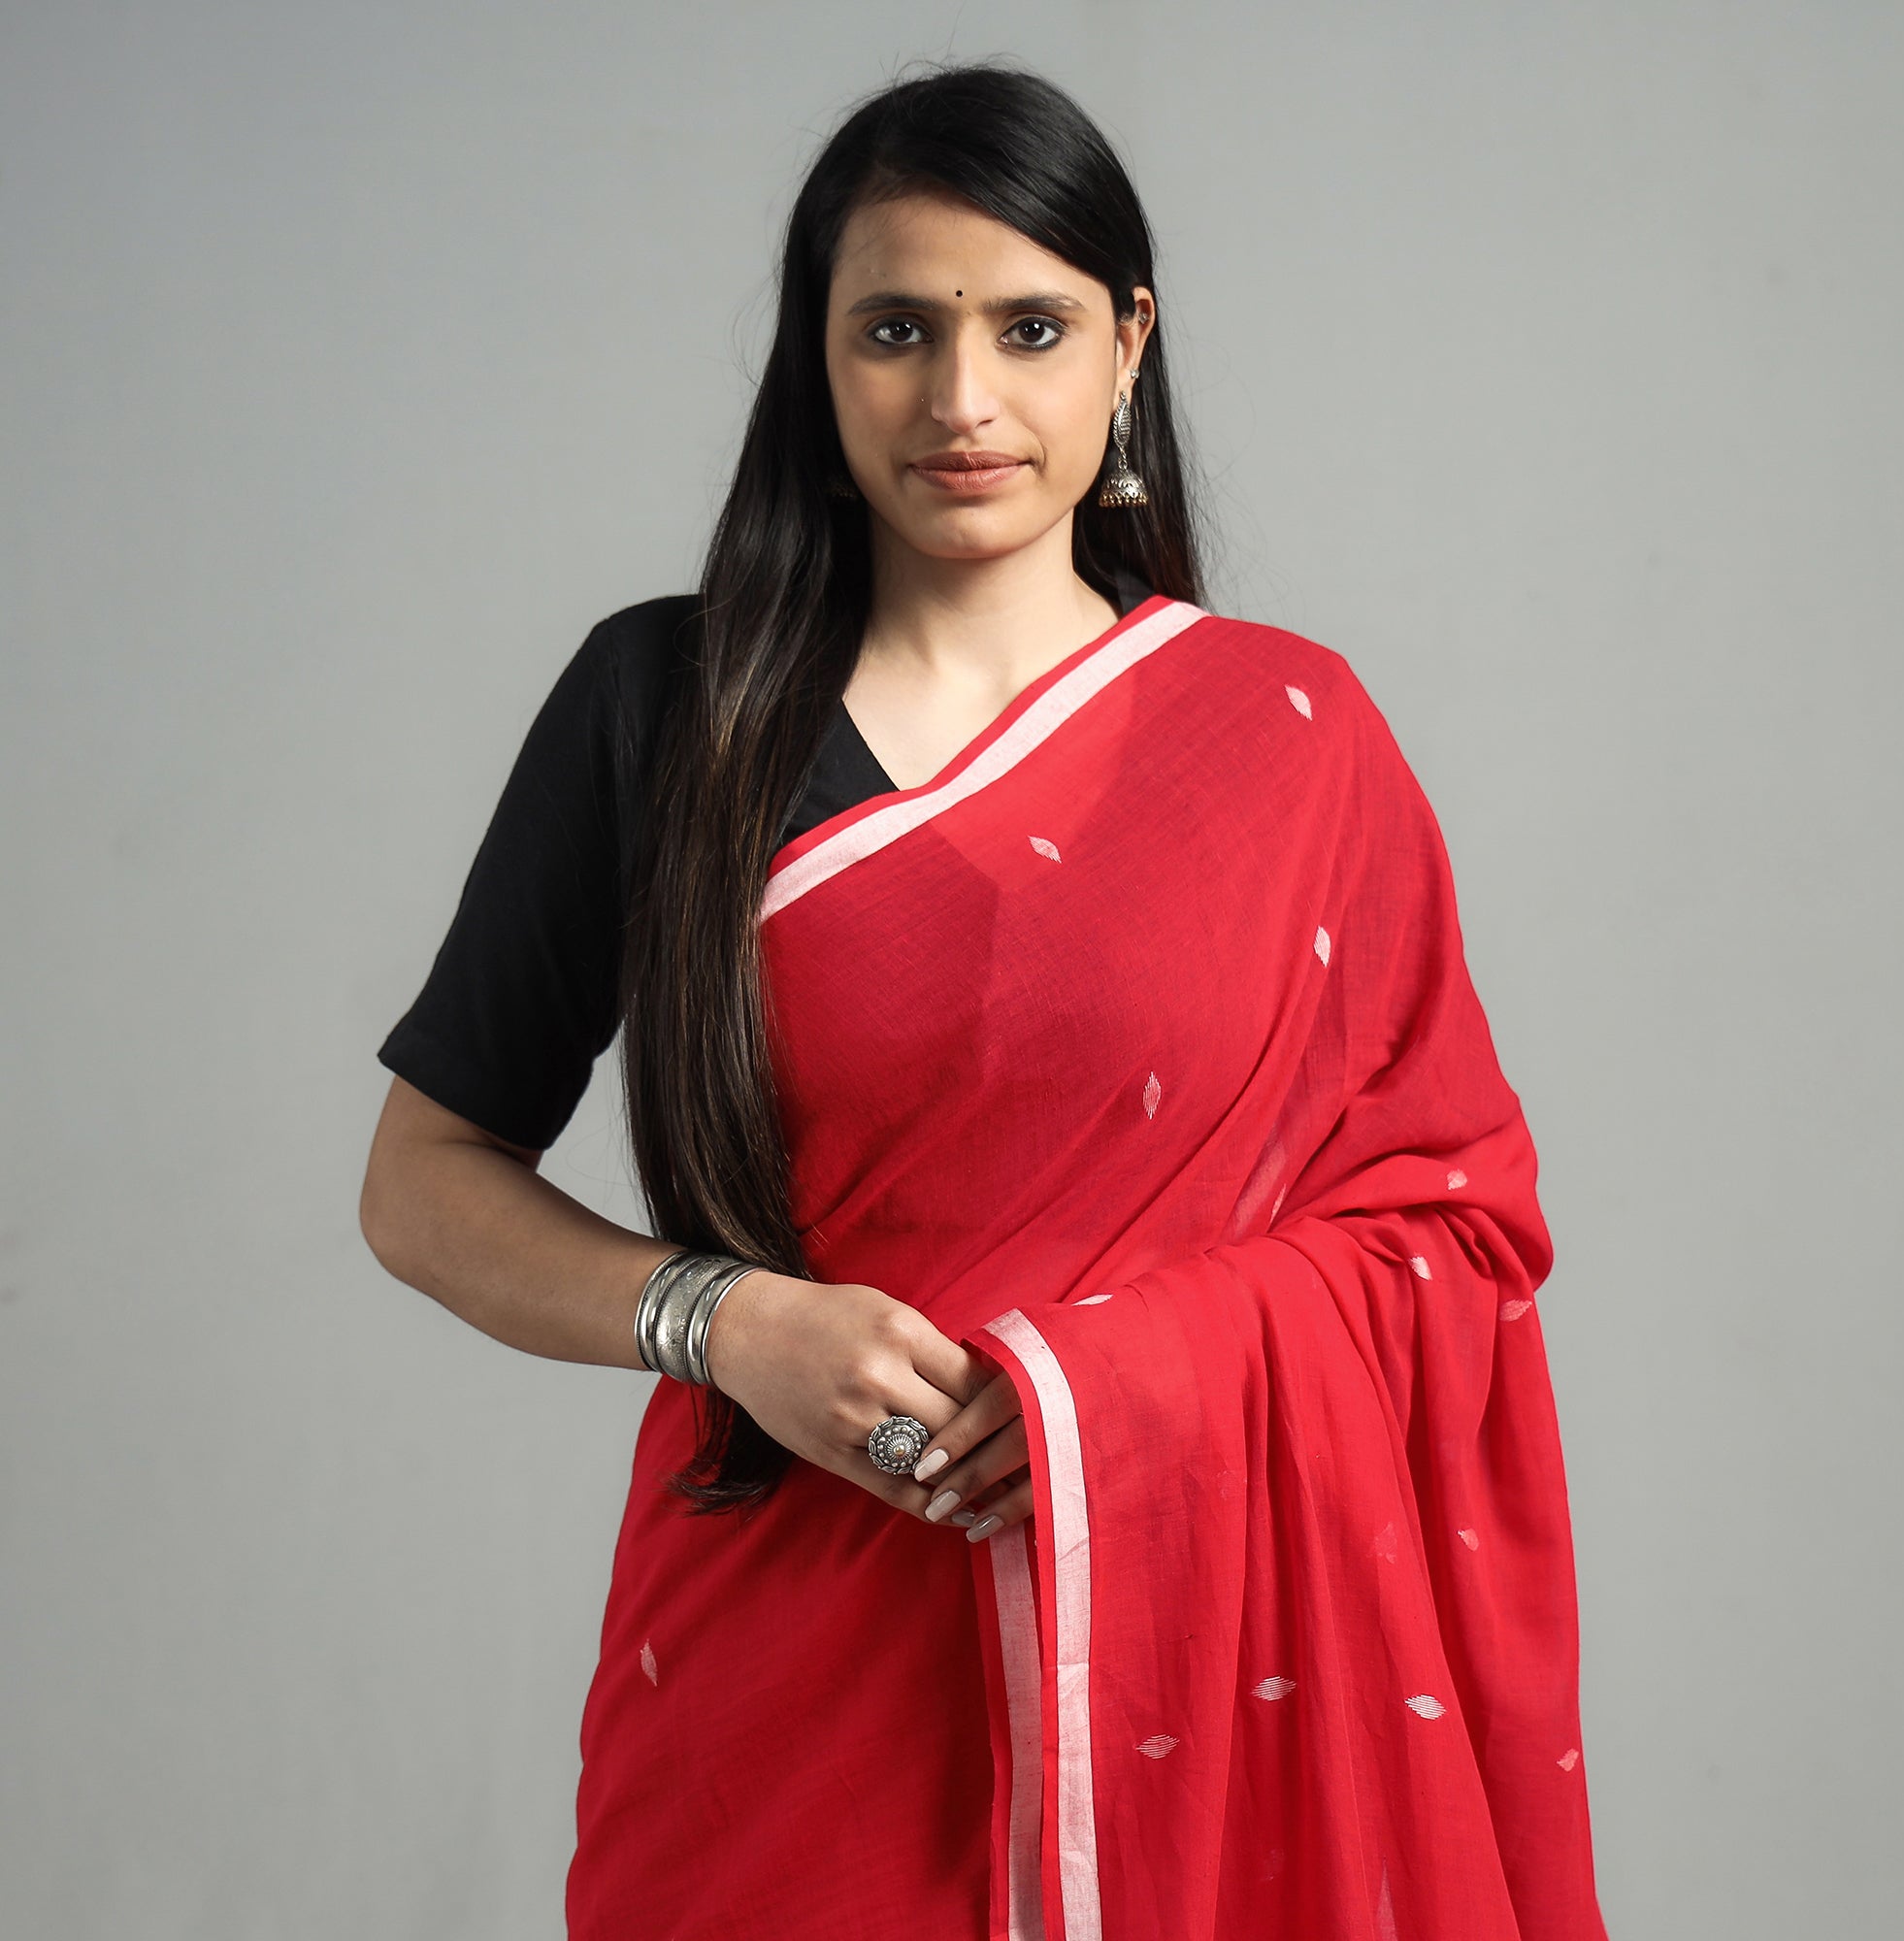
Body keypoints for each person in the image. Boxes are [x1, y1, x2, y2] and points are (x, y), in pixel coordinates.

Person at [359, 57, 1609, 1941]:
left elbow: (1454, 1227)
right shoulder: (665, 709)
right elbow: (420, 1182)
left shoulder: (1292, 739)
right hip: (780, 1673)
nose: (962, 399)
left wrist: (1122, 1393)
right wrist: (727, 1321)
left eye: (1029, 328)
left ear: (1128, 346)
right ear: (818, 358)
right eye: (896, 331)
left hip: (1200, 1665)